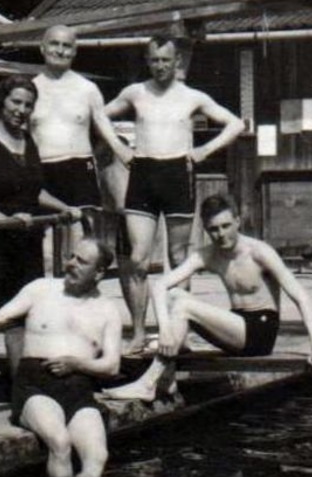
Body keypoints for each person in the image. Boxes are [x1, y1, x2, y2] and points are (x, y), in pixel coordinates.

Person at [103, 194, 312, 402]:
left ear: (238, 222)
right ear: (205, 229)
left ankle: (148, 383)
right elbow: (160, 285)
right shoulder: (209, 254)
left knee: (183, 306)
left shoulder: (259, 252)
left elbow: (300, 296)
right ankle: (170, 372)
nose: (221, 234)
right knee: (175, 296)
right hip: (236, 328)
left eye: (226, 226)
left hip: (260, 333)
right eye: (214, 229)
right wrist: (165, 330)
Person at [101, 36, 244, 354]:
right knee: (137, 258)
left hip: (178, 173)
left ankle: (179, 331)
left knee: (179, 258)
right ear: (147, 60)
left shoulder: (192, 96)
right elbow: (99, 114)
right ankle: (138, 332)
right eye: (154, 60)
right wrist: (119, 148)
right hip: (143, 173)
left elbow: (234, 124)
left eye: (166, 60)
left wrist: (205, 149)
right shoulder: (135, 92)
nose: (160, 66)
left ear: (176, 61)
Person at [0, 75, 79, 417]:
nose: (21, 110)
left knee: (22, 315)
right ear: (3, 101)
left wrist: (62, 207)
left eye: (27, 105)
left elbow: (32, 191)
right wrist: (3, 221)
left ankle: (17, 389)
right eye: (16, 102)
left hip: (25, 240)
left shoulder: (28, 141)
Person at [0, 238, 123, 477]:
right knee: (60, 442)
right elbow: (1, 315)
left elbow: (112, 366)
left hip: (79, 389)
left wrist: (77, 364)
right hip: (35, 386)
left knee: (97, 457)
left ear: (99, 273)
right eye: (71, 256)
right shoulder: (41, 289)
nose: (71, 264)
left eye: (81, 261)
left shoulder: (107, 309)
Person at [31, 24, 132, 250]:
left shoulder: (87, 88)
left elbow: (103, 124)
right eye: (54, 44)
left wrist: (121, 150)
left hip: (80, 170)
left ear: (75, 51)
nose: (60, 50)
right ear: (42, 48)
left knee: (82, 245)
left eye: (67, 46)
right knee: (47, 248)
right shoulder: (31, 88)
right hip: (43, 169)